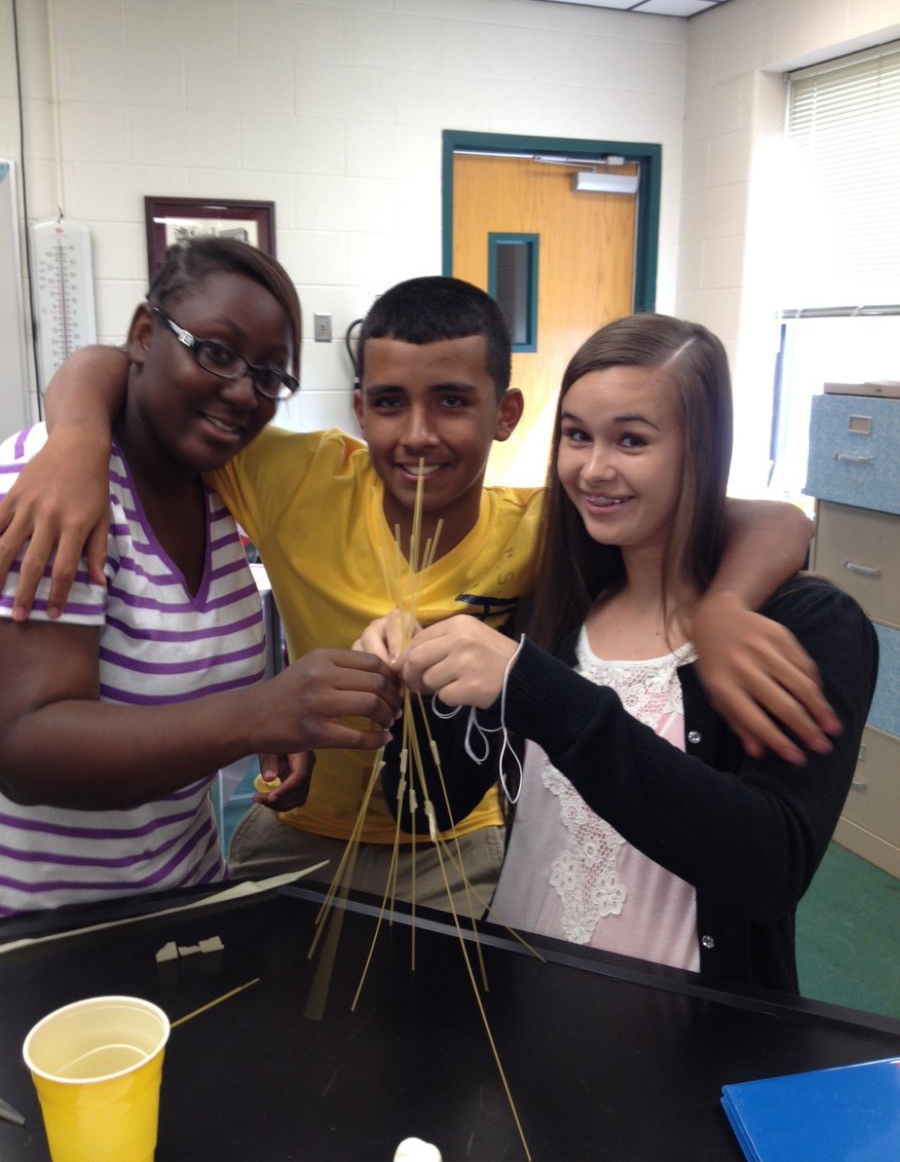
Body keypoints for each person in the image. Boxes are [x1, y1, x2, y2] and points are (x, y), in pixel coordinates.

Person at [0, 280, 834, 913]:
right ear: (359, 407)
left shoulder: (542, 530)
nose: (420, 435)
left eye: (453, 403)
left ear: (506, 413)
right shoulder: (293, 475)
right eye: (390, 404)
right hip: (292, 835)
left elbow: (770, 519)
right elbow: (127, 365)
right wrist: (74, 434)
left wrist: (723, 605)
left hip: (458, 852)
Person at [369, 313, 877, 993]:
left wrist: (542, 693)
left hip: (685, 1038)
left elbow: (770, 867)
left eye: (631, 440)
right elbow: (420, 811)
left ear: (700, 449)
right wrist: (421, 681)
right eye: (577, 436)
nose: (594, 469)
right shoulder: (553, 606)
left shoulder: (807, 626)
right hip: (520, 1003)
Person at [0, 237, 400, 917]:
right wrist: (255, 714)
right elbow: (22, 748)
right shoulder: (55, 487)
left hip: (181, 899)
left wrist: (280, 725)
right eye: (216, 352)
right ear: (146, 334)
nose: (243, 392)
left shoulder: (219, 485)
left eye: (270, 376)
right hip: (49, 932)